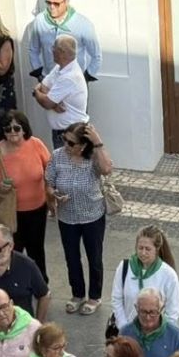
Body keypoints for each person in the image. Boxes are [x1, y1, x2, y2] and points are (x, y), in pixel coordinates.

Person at [46, 121, 113, 313]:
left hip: (92, 215)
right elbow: (49, 181)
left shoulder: (93, 157)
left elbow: (107, 169)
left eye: (70, 143)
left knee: (94, 257)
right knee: (71, 257)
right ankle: (77, 294)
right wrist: (54, 194)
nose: (65, 145)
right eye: (64, 140)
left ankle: (94, 297)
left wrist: (98, 143)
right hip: (67, 217)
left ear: (83, 145)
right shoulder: (57, 156)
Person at [0, 112, 52, 273]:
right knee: (13, 250)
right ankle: (15, 281)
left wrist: (50, 189)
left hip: (37, 208)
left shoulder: (36, 144)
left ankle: (40, 283)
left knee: (36, 249)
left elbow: (50, 168)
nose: (12, 132)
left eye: (16, 128)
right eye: (7, 128)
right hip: (10, 212)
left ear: (24, 129)